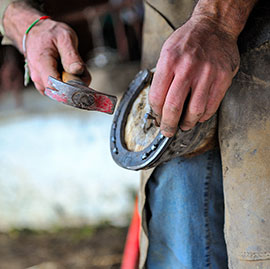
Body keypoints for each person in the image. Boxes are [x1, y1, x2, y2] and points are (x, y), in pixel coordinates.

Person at [1, 0, 270, 268]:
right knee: (178, 249)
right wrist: (24, 23)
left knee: (257, 244)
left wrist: (217, 20)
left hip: (256, 52)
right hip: (167, 65)